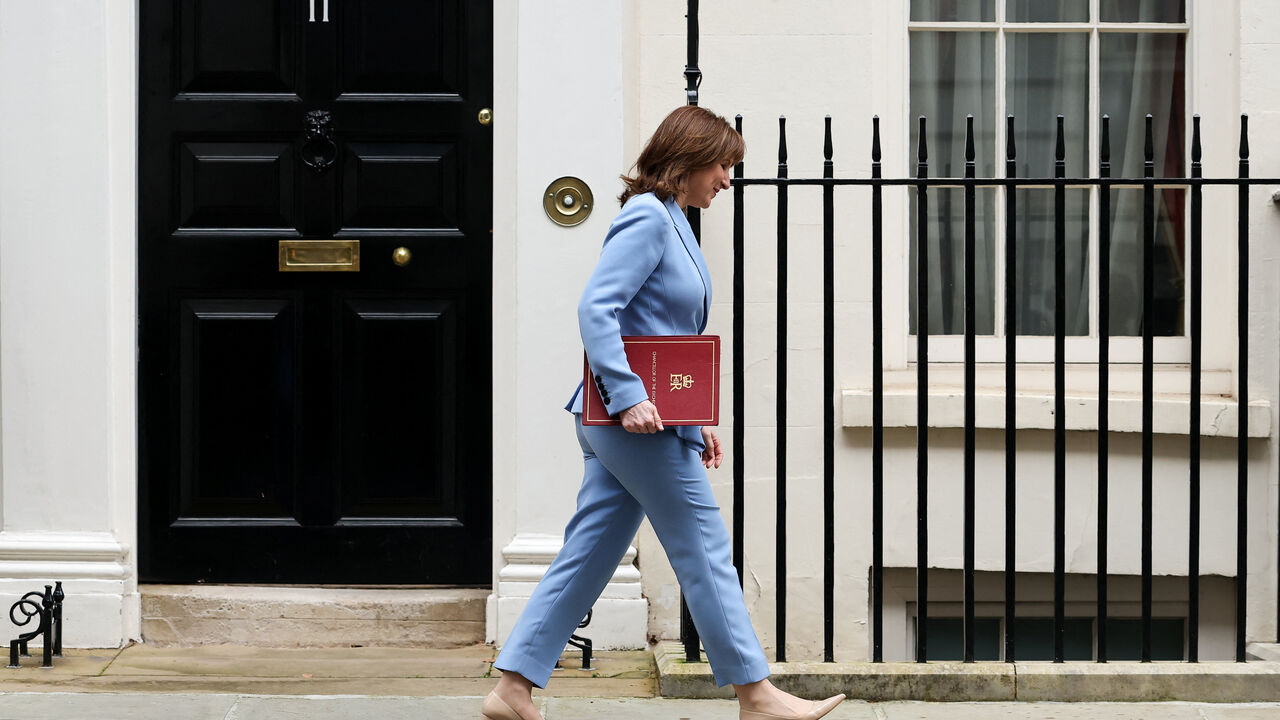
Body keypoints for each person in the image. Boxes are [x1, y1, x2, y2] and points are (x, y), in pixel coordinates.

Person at [482, 106, 846, 720]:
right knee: (704, 548)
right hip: (632, 425)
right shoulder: (648, 217)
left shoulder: (672, 218)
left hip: (645, 421)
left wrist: (696, 412)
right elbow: (598, 310)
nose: (727, 180)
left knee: (591, 550)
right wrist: (627, 397)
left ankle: (512, 688)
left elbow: (665, 334)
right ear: (689, 158)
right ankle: (756, 696)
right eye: (724, 165)